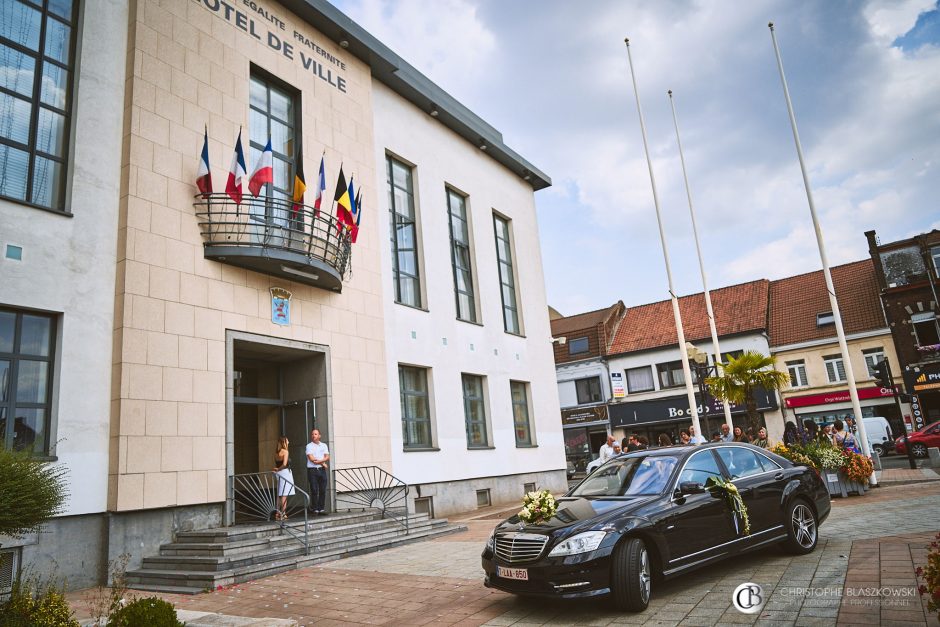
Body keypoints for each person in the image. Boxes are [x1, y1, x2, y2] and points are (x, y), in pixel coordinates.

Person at [306, 428, 330, 515]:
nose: (313, 436)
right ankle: (315, 509)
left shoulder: (324, 445)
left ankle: (321, 509)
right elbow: (312, 459)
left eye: (315, 434)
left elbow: (327, 457)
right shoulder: (309, 446)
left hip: (322, 470)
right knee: (314, 490)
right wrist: (323, 463)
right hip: (312, 471)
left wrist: (321, 463)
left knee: (323, 490)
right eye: (312, 434)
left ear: (319, 436)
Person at [273, 436, 294, 521]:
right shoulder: (285, 451)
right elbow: (284, 464)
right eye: (287, 440)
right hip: (285, 473)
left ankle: (277, 513)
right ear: (284, 442)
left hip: (279, 474)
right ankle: (283, 513)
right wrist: (279, 469)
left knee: (279, 494)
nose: (288, 442)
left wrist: (277, 469)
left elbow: (277, 464)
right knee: (284, 494)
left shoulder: (276, 453)